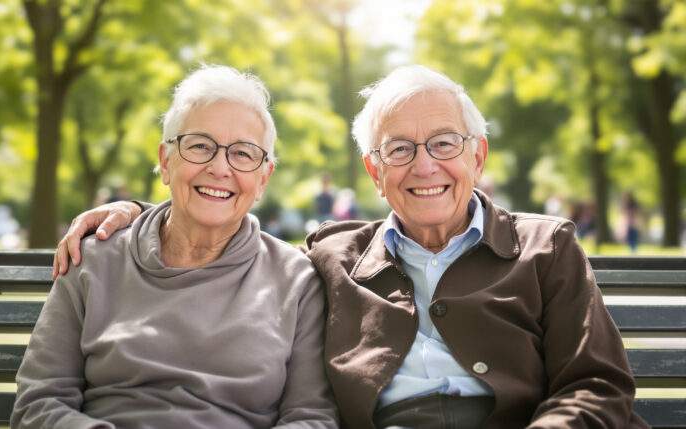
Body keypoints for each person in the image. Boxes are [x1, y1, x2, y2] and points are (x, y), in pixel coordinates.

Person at [53, 65, 646, 428]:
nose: (424, 166)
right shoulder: (333, 259)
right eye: (398, 149)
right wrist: (132, 216)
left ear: (477, 156)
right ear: (372, 170)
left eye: (444, 142)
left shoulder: (547, 246)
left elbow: (595, 383)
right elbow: (216, 219)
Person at [11, 65, 337, 428]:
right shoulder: (94, 259)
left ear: (263, 179)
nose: (220, 167)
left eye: (243, 153)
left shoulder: (296, 281)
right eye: (200, 146)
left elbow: (312, 417)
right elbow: (38, 404)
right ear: (166, 162)